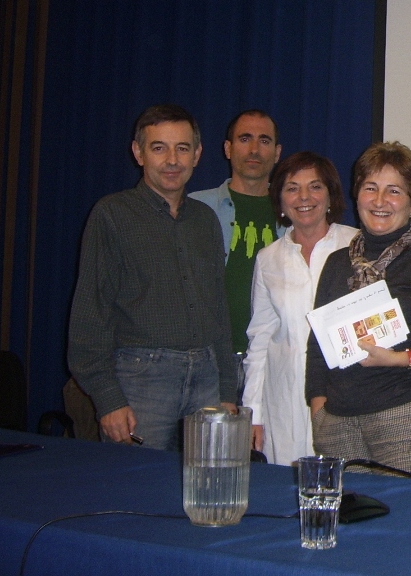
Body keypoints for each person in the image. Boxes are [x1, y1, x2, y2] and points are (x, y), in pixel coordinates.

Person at [306, 142, 411, 480]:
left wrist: (401, 359)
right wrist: (318, 406)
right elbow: (317, 346)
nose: (380, 200)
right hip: (338, 423)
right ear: (357, 195)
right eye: (370, 188)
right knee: (349, 513)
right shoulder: (337, 263)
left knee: (408, 512)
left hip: (407, 415)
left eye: (394, 191)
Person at [68, 104, 236, 451]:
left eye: (182, 148)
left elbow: (218, 311)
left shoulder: (205, 220)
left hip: (206, 380)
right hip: (140, 382)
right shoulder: (112, 215)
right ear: (138, 152)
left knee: (209, 482)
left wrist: (226, 391)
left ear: (197, 154)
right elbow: (90, 316)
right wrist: (108, 400)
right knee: (136, 481)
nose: (172, 160)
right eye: (159, 148)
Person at [242, 152, 357, 466]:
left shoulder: (357, 246)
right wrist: (252, 412)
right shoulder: (268, 258)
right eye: (292, 188)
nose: (304, 197)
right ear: (280, 199)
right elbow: (260, 340)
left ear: (330, 196)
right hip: (283, 400)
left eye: (315, 186)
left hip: (344, 397)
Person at [190, 109, 283, 401]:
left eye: (264, 140)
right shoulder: (195, 208)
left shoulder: (296, 214)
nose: (254, 149)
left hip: (272, 363)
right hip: (208, 363)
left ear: (277, 152)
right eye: (245, 139)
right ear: (228, 148)